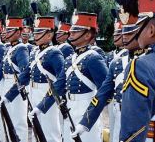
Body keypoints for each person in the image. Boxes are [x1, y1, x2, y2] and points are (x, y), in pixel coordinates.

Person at [32, 11, 108, 142]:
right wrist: (40, 107)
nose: (71, 33)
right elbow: (57, 87)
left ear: (88, 34)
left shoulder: (94, 58)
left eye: (76, 31)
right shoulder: (70, 59)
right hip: (70, 110)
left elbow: (105, 92)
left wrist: (87, 121)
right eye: (71, 30)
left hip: (86, 108)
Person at [120, 0, 155, 142]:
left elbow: (133, 132)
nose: (136, 30)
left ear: (151, 30)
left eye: (139, 25)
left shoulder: (141, 66)